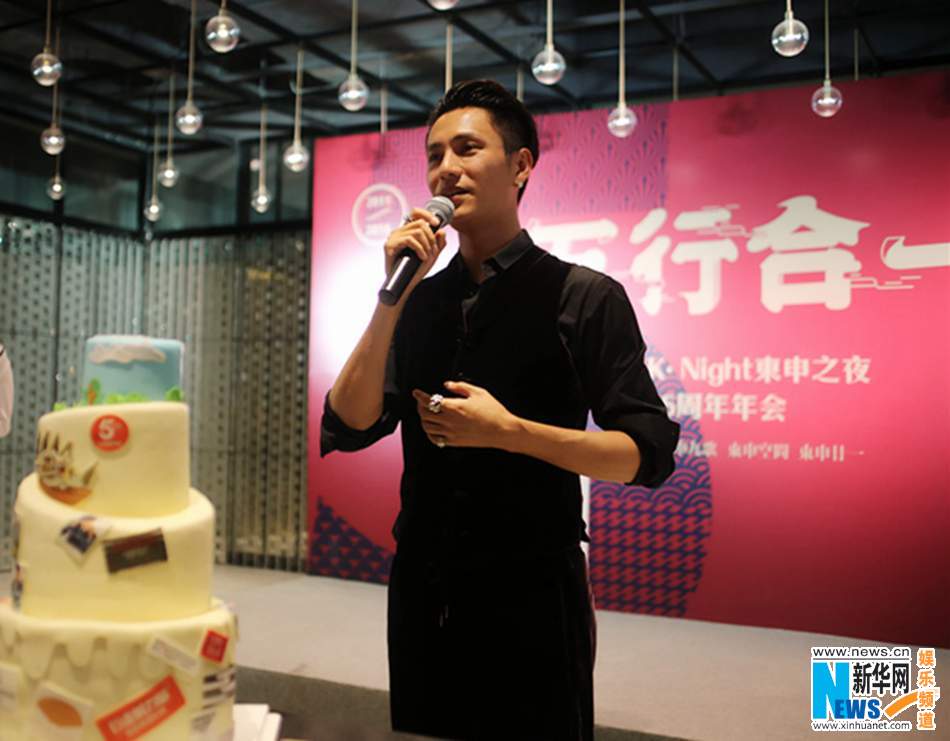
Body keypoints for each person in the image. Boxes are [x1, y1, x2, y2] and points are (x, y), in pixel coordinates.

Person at [321, 79, 680, 740]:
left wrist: (510, 432)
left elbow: (645, 455)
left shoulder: (584, 296)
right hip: (425, 587)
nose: (445, 169)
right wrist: (390, 299)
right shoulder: (416, 302)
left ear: (520, 166)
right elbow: (350, 420)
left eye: (466, 149)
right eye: (434, 155)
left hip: (533, 591)